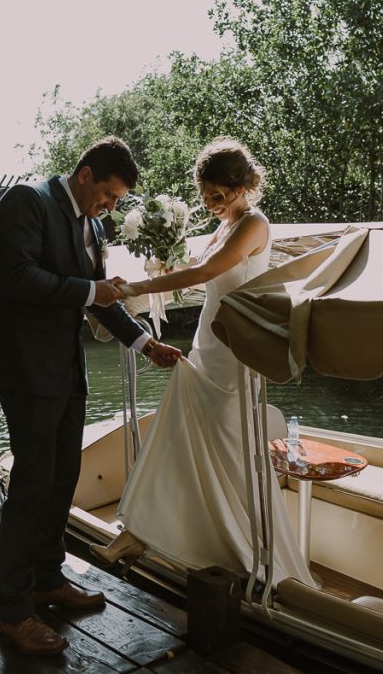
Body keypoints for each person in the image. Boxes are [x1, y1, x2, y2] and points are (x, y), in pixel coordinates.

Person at [0, 136, 182, 656]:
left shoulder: (91, 225)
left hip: (66, 372)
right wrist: (94, 291)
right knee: (31, 482)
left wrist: (144, 342)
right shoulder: (26, 201)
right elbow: (19, 278)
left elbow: (101, 298)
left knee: (64, 474)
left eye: (117, 202)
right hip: (25, 368)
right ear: (86, 173)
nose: (110, 207)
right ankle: (14, 611)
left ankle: (49, 577)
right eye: (109, 195)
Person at [91, 138, 315, 588]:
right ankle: (141, 533)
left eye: (218, 196)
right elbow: (190, 265)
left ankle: (249, 555)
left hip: (235, 356)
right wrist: (158, 262)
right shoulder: (225, 226)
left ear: (245, 185)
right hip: (205, 349)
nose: (211, 205)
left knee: (232, 454)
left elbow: (204, 275)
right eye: (205, 197)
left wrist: (133, 289)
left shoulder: (254, 224)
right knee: (177, 436)